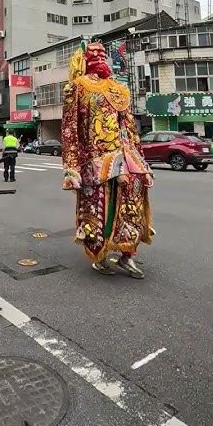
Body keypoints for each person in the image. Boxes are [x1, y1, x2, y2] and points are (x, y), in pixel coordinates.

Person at [61, 40, 153, 279]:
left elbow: (130, 128)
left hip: (125, 156)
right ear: (85, 59)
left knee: (132, 202)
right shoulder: (77, 87)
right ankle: (100, 254)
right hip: (96, 158)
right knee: (100, 208)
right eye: (94, 54)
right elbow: (70, 129)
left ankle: (127, 254)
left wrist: (139, 159)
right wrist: (72, 167)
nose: (100, 57)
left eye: (102, 54)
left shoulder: (119, 89)